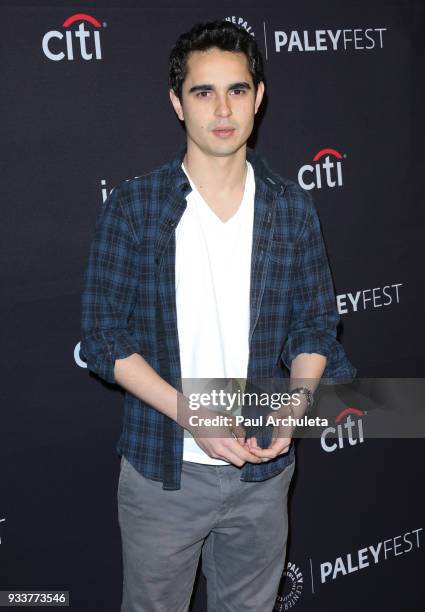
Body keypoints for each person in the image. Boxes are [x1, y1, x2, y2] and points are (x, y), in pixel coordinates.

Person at [80, 19, 356, 612]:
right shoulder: (134, 208)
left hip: (264, 471)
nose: (223, 109)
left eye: (237, 89)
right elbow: (102, 338)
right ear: (178, 103)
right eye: (204, 92)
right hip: (163, 470)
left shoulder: (291, 209)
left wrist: (294, 408)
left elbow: (314, 326)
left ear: (258, 97)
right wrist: (192, 415)